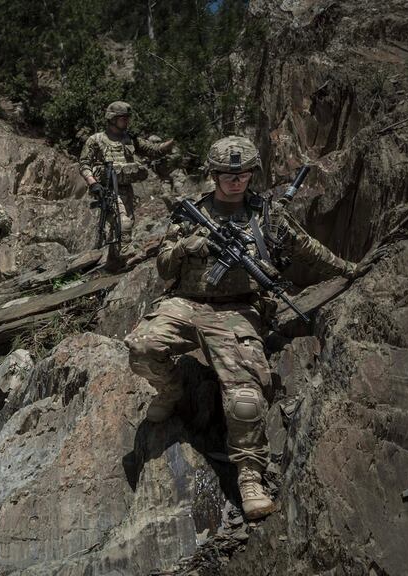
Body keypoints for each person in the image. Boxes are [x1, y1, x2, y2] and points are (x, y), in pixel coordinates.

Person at [124, 136, 358, 520]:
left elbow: (307, 249)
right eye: (227, 174)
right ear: (213, 174)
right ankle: (173, 388)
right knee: (142, 348)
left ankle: (249, 475)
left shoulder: (266, 214)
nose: (236, 181)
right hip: (186, 302)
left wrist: (349, 269)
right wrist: (187, 247)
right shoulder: (189, 213)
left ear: (253, 173)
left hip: (239, 310)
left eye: (243, 173)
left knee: (245, 396)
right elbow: (164, 266)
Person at [78, 101, 175, 268]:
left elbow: (154, 150)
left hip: (126, 189)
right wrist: (93, 183)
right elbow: (84, 164)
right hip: (107, 190)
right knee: (123, 223)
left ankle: (114, 263)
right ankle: (126, 254)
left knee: (124, 225)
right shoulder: (96, 140)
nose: (127, 122)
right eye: (123, 118)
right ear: (112, 118)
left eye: (127, 118)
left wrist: (174, 140)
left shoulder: (130, 139)